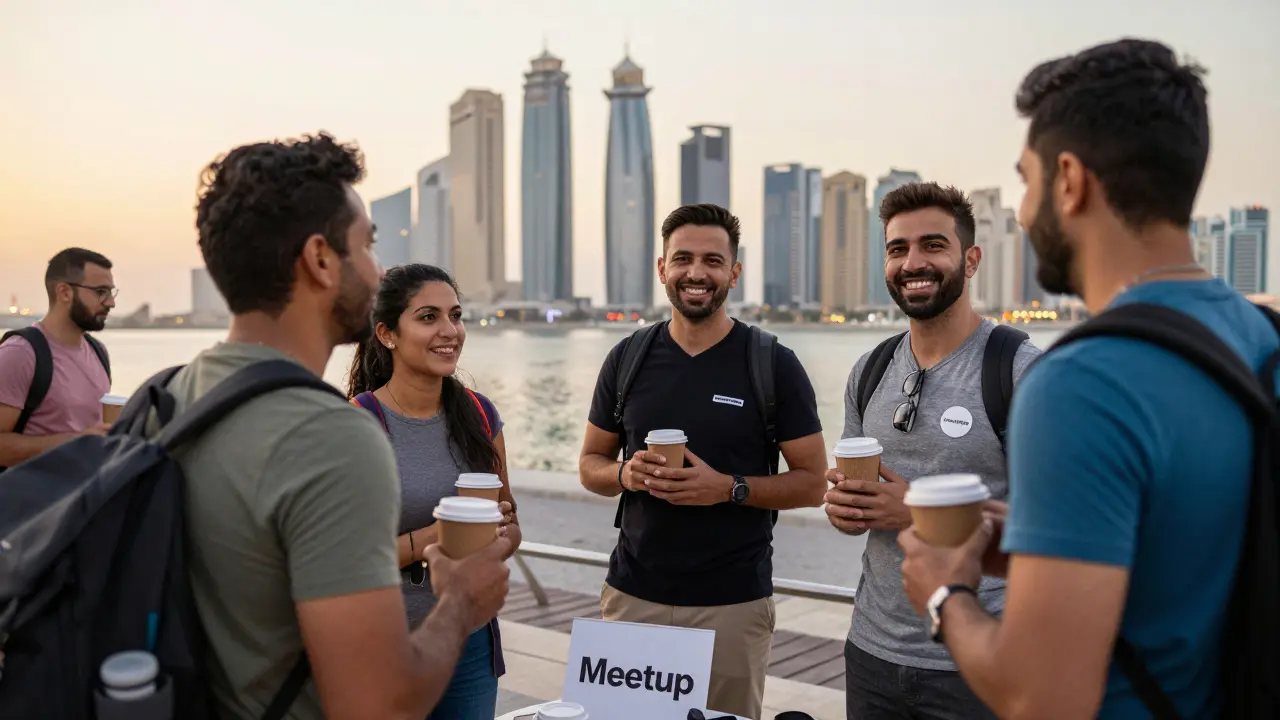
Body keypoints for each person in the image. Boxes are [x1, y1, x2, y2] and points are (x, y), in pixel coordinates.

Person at [897, 38, 1275, 719]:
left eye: (1027, 179)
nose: (1022, 208)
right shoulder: (1261, 336)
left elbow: (1040, 699)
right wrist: (1049, 540)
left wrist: (941, 593)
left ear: (1069, 180)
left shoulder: (1083, 384)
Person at [167, 132, 510, 719]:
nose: (376, 271)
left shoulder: (171, 397)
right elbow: (377, 705)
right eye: (368, 246)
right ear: (322, 260)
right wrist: (458, 601)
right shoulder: (336, 436)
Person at [578, 203, 828, 719]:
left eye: (713, 261)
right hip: (633, 597)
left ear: (734, 273)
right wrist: (626, 474)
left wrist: (730, 488)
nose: (697, 273)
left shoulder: (772, 363)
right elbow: (589, 466)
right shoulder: (627, 359)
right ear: (662, 268)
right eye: (683, 258)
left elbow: (813, 483)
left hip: (732, 605)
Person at [824, 183, 1041, 719]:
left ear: (971, 260)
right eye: (898, 249)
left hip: (978, 655)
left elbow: (1054, 527)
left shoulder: (1020, 371)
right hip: (873, 649)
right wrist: (846, 509)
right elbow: (862, 500)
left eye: (932, 245)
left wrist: (913, 511)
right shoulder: (870, 371)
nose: (913, 262)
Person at [345, 263, 521, 720]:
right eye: (428, 317)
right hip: (383, 641)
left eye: (456, 315)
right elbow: (341, 561)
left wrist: (496, 539)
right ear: (387, 334)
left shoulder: (482, 416)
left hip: (470, 640)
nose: (450, 331)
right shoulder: (357, 424)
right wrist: (436, 537)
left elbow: (511, 524)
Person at [0, 248, 115, 468]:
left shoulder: (98, 352)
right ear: (64, 292)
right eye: (101, 291)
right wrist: (75, 443)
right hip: (30, 501)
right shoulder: (20, 354)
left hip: (85, 499)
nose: (110, 303)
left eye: (111, 292)